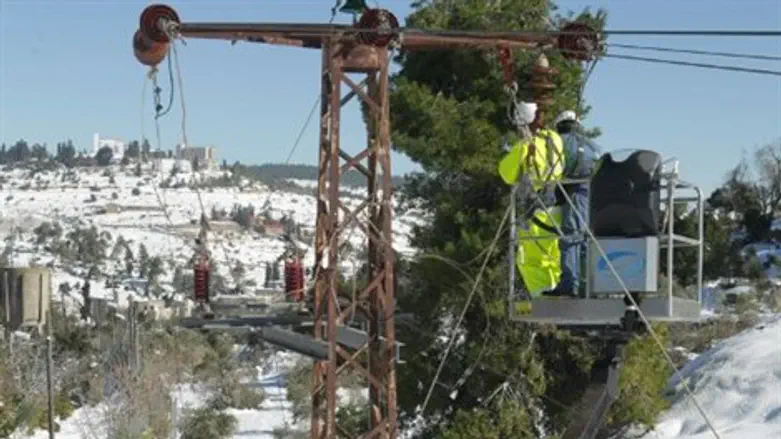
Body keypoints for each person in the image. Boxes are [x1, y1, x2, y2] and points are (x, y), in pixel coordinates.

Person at [498, 102, 566, 298]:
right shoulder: (555, 139)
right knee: (553, 255)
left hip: (536, 210)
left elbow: (506, 173)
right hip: (557, 206)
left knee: (531, 258)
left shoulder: (526, 146)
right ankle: (556, 290)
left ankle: (542, 298)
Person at [548, 110, 602, 297]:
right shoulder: (591, 145)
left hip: (573, 192)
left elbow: (552, 167)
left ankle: (569, 283)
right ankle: (589, 285)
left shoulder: (560, 141)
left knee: (570, 236)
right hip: (591, 194)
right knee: (585, 238)